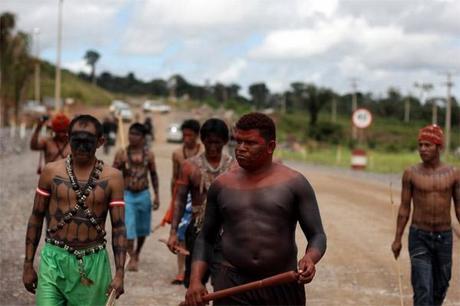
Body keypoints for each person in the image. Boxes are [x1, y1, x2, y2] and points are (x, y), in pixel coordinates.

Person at [185, 112, 327, 306]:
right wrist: (195, 281)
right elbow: (206, 238)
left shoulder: (294, 183)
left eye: (250, 143)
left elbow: (317, 234)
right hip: (231, 282)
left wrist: (310, 258)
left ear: (271, 147)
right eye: (238, 142)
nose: (241, 149)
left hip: (281, 281)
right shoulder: (222, 185)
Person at [22, 114, 127, 306]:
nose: (81, 147)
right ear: (68, 139)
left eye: (88, 142)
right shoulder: (51, 172)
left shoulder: (113, 178)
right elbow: (36, 218)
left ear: (100, 142)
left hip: (93, 264)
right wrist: (28, 264)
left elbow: (119, 227)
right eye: (76, 141)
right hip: (53, 260)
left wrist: (120, 272)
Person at [391, 124, 459, 306]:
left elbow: (459, 207)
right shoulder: (411, 174)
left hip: (444, 238)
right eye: (420, 145)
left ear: (439, 147)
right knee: (423, 290)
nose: (422, 149)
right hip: (419, 236)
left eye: (427, 145)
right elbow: (404, 208)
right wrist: (397, 238)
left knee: (440, 287)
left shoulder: (453, 174)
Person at [167, 118, 233, 288]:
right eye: (209, 142)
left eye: (217, 142)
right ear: (202, 140)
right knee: (194, 282)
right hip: (198, 231)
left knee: (224, 282)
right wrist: (174, 232)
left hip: (227, 233)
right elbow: (180, 201)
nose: (212, 147)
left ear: (225, 141)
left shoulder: (234, 167)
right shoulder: (189, 166)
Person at [113, 123, 160, 271]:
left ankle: (137, 252)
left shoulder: (149, 154)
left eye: (136, 134)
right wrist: (119, 165)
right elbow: (113, 173)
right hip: (127, 194)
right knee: (129, 227)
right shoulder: (122, 153)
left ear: (143, 137)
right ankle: (132, 256)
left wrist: (157, 195)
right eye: (130, 133)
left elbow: (153, 174)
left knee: (142, 228)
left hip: (144, 194)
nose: (132, 137)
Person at [170, 119, 202, 285]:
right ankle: (181, 271)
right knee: (181, 234)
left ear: (197, 136)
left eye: (190, 135)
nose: (186, 138)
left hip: (200, 199)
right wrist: (173, 202)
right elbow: (174, 179)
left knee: (199, 236)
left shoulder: (204, 152)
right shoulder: (177, 154)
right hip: (183, 198)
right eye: (184, 134)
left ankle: (198, 271)